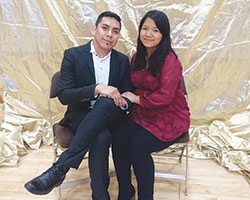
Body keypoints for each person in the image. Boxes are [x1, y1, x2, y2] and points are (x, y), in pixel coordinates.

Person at [24, 11, 133, 200]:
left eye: (115, 31)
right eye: (105, 28)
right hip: (82, 115)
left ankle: (60, 168)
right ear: (94, 29)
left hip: (112, 114)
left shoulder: (122, 60)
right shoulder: (73, 55)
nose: (109, 34)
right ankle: (100, 196)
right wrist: (96, 89)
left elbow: (127, 94)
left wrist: (121, 100)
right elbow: (64, 95)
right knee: (101, 136)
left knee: (106, 104)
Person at [111, 10, 190, 200]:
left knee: (138, 147)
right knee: (119, 137)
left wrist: (136, 98)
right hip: (144, 113)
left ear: (163, 35)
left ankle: (146, 197)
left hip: (170, 116)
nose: (148, 34)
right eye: (145, 29)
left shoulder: (170, 61)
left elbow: (164, 97)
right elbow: (133, 85)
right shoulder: (137, 57)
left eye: (155, 30)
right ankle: (125, 190)